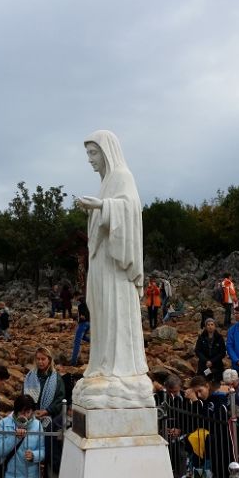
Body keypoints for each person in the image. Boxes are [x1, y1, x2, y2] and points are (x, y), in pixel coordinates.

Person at [76, 130, 149, 385]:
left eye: (93, 153)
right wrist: (95, 208)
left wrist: (100, 206)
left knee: (113, 309)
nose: (90, 159)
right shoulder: (106, 182)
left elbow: (130, 208)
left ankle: (119, 368)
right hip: (101, 262)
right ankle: (103, 363)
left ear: (107, 152)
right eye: (88, 153)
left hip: (114, 266)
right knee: (102, 312)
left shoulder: (121, 176)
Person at [0, 394, 45, 478]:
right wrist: (15, 438)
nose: (25, 415)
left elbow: (43, 450)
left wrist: (35, 455)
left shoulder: (37, 425)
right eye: (21, 412)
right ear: (16, 411)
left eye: (28, 412)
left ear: (32, 412)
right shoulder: (4, 424)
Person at [185, 375, 232, 478]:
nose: (199, 395)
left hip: (222, 439)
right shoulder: (205, 401)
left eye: (200, 391)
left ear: (207, 386)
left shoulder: (218, 399)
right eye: (196, 393)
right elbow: (196, 420)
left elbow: (209, 419)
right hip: (211, 441)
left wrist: (196, 401)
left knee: (223, 470)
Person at [23, 346, 65, 428]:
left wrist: (47, 411)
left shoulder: (56, 379)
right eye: (38, 359)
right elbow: (24, 396)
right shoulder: (30, 377)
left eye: (43, 359)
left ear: (49, 360)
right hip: (30, 416)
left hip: (49, 418)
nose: (40, 362)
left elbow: (59, 399)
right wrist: (30, 412)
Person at [195, 318, 226, 384]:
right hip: (203, 365)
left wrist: (212, 361)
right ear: (205, 327)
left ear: (215, 326)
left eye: (212, 324)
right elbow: (198, 351)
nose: (210, 326)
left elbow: (222, 352)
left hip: (217, 365)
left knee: (216, 385)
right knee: (202, 383)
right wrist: (206, 361)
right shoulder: (201, 337)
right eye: (208, 325)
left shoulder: (219, 338)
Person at [70, 294, 90, 366]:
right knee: (84, 337)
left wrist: (75, 320)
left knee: (77, 342)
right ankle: (94, 342)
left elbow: (74, 314)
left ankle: (73, 362)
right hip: (89, 323)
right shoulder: (89, 303)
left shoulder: (77, 303)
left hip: (83, 323)